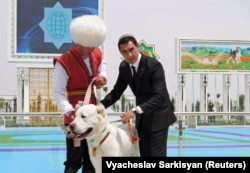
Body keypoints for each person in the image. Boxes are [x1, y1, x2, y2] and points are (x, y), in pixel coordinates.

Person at [100, 34, 177, 157]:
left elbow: (160, 96)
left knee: (157, 156)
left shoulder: (154, 66)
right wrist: (99, 107)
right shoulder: (124, 67)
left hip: (159, 116)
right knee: (145, 155)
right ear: (120, 53)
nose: (129, 55)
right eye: (124, 52)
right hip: (143, 118)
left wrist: (134, 111)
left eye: (131, 50)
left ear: (137, 47)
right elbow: (116, 92)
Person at [53, 15, 107, 173]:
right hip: (74, 117)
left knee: (92, 160)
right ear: (79, 40)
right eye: (89, 45)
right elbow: (58, 93)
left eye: (95, 44)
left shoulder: (97, 52)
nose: (93, 48)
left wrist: (102, 78)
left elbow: (102, 69)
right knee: (74, 161)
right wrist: (71, 112)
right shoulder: (63, 61)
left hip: (92, 118)